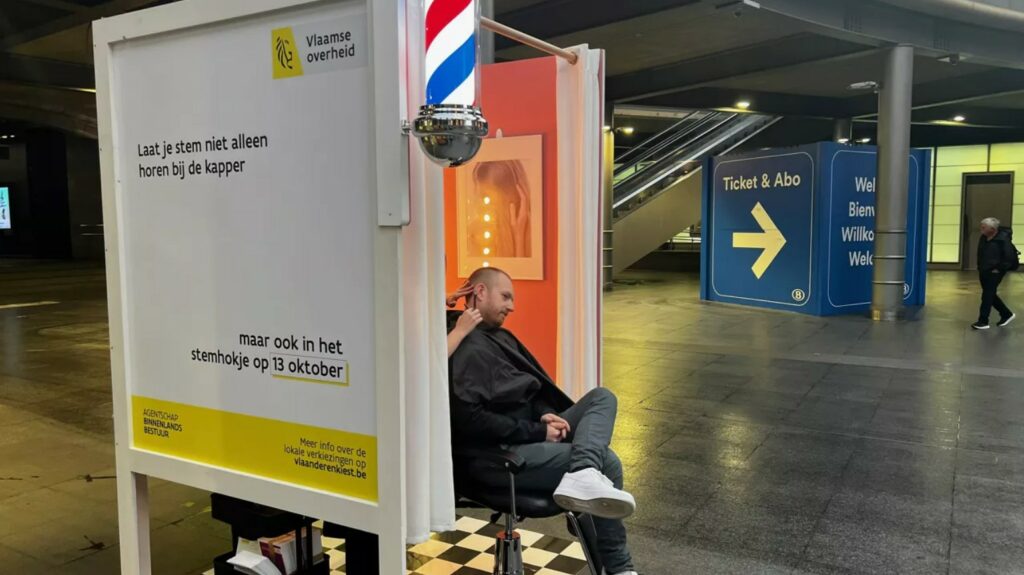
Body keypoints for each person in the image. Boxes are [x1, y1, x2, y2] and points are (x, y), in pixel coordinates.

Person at [448, 267, 639, 575]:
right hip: (499, 455)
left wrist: (541, 415)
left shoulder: (497, 338)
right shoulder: (461, 345)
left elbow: (523, 388)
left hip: (529, 432)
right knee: (609, 462)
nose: (512, 306)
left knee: (603, 397)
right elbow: (471, 421)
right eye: (506, 296)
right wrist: (539, 431)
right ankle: (619, 569)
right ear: (480, 292)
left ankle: (583, 471)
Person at [973, 217, 1016, 330]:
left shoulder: (1003, 240)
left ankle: (983, 321)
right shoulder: (983, 238)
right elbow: (980, 253)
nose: (981, 229)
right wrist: (979, 266)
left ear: (992, 229)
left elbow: (1009, 257)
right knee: (990, 295)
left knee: (987, 295)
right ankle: (1006, 314)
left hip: (995, 272)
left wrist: (999, 269)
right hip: (984, 270)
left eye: (984, 227)